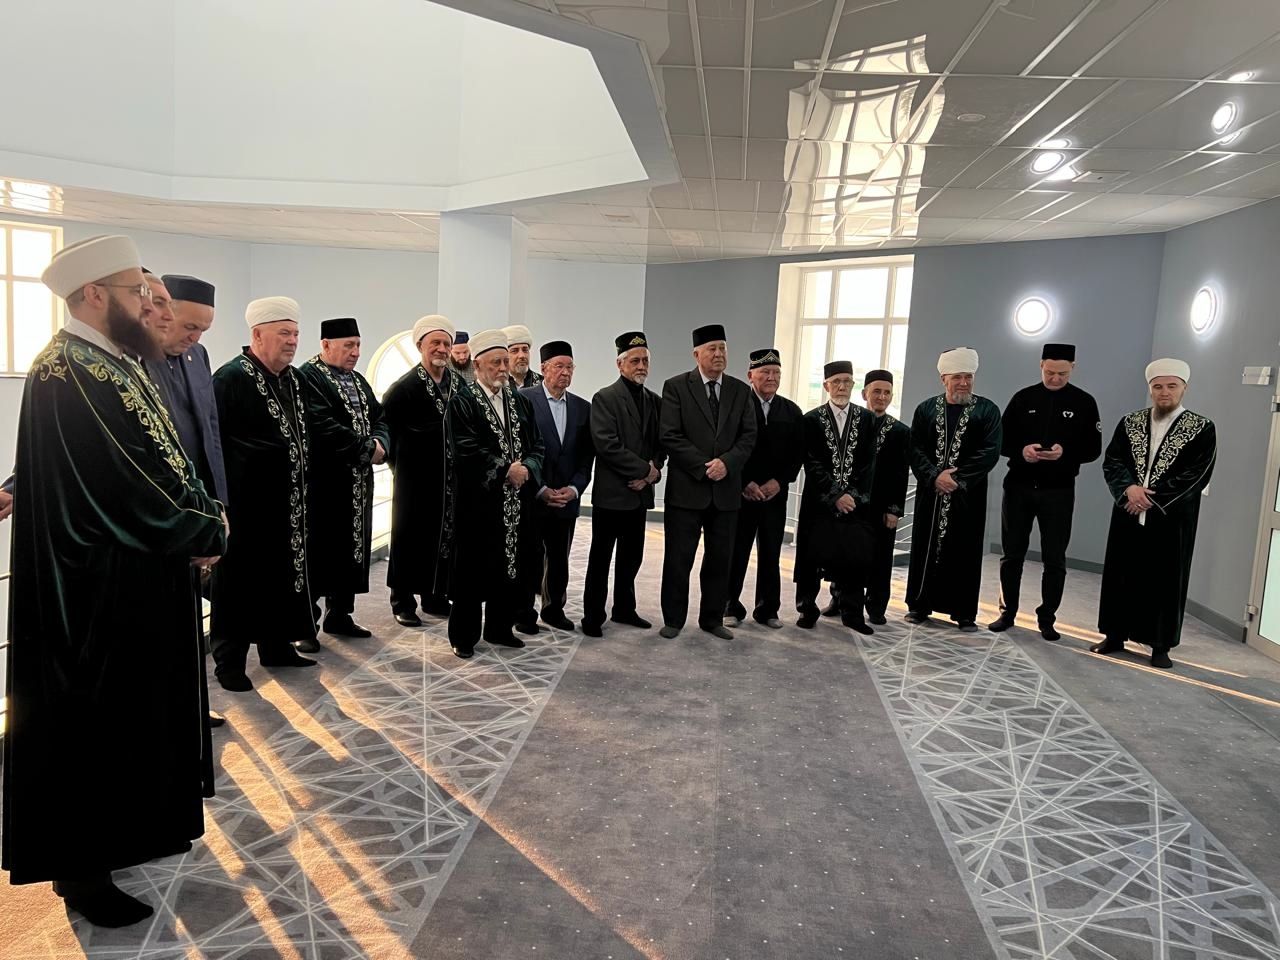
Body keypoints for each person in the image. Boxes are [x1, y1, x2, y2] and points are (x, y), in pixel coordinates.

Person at [3, 236, 226, 926]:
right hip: (93, 591)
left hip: (131, 577)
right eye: (139, 293)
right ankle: (82, 874)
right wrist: (204, 529)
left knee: (127, 722)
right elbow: (126, 486)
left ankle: (122, 839)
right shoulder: (71, 370)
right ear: (95, 294)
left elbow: (168, 459)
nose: (153, 306)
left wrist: (202, 512)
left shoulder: (109, 361)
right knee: (87, 730)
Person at [211, 297, 318, 690]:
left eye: (295, 334)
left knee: (281, 578)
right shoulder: (229, 378)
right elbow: (214, 444)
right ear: (257, 335)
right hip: (246, 506)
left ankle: (277, 648)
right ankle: (229, 663)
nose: (292, 341)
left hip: (288, 506)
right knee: (237, 585)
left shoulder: (295, 379)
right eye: (283, 333)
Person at [1092, 359, 1216, 669]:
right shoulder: (1130, 422)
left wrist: (1149, 498)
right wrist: (1128, 491)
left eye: (1172, 386)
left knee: (1165, 580)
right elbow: (1113, 461)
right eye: (1158, 386)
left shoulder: (1202, 428)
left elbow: (1196, 474)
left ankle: (1160, 645)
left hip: (1171, 519)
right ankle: (1114, 635)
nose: (1164, 392)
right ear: (1150, 389)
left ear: (1184, 388)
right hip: (1128, 511)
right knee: (1121, 573)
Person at [149, 273, 230, 729]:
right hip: (162, 517)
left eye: (202, 330)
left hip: (200, 512)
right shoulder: (133, 362)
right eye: (189, 326)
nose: (194, 337)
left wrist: (220, 505)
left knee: (192, 618)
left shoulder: (199, 357)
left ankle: (194, 708)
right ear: (163, 313)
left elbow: (210, 433)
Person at [990, 343, 1102, 641]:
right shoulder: (1023, 398)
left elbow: (1094, 448)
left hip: (1059, 491)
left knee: (1055, 558)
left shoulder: (1084, 402)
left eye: (1062, 373)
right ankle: (1007, 612)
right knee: (1012, 554)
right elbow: (1000, 440)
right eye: (1050, 372)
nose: (1055, 378)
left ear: (1073, 368)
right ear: (1041, 365)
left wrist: (1066, 453)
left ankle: (1047, 618)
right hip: (1019, 487)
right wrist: (1021, 450)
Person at [447, 329, 545, 658]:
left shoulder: (519, 401)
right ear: (477, 365)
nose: (503, 368)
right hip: (478, 505)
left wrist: (527, 467)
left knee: (510, 566)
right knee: (472, 571)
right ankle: (464, 636)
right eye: (496, 362)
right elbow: (465, 449)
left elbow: (537, 444)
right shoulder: (462, 402)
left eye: (505, 361)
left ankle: (500, 628)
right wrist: (505, 470)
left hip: (516, 503)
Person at [658, 324, 758, 639]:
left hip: (726, 491)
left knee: (720, 559)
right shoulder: (676, 387)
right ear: (696, 354)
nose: (718, 354)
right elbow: (670, 435)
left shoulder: (740, 390)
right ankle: (673, 620)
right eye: (712, 349)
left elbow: (748, 436)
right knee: (679, 558)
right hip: (687, 489)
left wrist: (726, 463)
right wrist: (704, 467)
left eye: (722, 348)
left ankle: (712, 619)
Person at [298, 318, 389, 645]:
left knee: (350, 549)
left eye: (358, 345)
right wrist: (366, 448)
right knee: (319, 552)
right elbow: (322, 425)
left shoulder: (358, 380)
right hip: (325, 484)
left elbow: (380, 417)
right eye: (348, 345)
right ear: (325, 345)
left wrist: (380, 442)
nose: (356, 352)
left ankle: (340, 615)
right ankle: (305, 627)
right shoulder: (308, 377)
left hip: (357, 484)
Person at [905, 347, 1002, 631]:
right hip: (931, 494)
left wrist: (957, 479)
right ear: (943, 379)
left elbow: (990, 451)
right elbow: (915, 448)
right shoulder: (925, 410)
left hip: (967, 497)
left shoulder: (988, 411)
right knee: (925, 549)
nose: (963, 383)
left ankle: (964, 613)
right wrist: (934, 476)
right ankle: (919, 606)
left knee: (965, 551)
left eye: (968, 377)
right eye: (957, 377)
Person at [581, 332, 664, 637]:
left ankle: (624, 609)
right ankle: (592, 617)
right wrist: (645, 470)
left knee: (632, 557)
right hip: (613, 494)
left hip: (640, 495)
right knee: (601, 559)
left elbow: (662, 443)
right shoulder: (604, 398)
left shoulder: (655, 401)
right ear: (620, 364)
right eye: (635, 361)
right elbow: (607, 445)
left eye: (645, 361)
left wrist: (652, 471)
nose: (641, 366)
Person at [383, 315, 464, 626]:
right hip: (414, 481)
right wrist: (403, 470)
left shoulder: (459, 385)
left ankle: (435, 595)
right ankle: (402, 601)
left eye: (446, 343)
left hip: (449, 482)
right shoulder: (403, 388)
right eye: (435, 343)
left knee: (443, 538)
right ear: (420, 346)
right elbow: (388, 434)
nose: (442, 349)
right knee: (408, 538)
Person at [794, 361, 879, 633]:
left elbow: (868, 464)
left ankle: (852, 613)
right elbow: (811, 462)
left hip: (854, 505)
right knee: (811, 557)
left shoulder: (867, 420)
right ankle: (807, 609)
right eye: (836, 382)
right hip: (819, 503)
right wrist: (835, 495)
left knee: (853, 558)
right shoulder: (810, 419)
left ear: (853, 385)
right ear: (826, 385)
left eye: (847, 381)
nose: (842, 386)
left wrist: (849, 496)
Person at [725, 348, 804, 629]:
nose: (772, 377)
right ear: (751, 375)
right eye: (765, 372)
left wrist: (779, 482)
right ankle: (729, 607)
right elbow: (728, 447)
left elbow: (797, 454)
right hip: (741, 495)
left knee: (771, 554)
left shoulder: (791, 411)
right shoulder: (736, 406)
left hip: (774, 497)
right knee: (737, 552)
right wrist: (744, 482)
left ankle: (767, 609)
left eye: (776, 373)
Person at [518, 341, 593, 632]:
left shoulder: (582, 408)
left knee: (560, 558)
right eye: (559, 366)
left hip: (566, 499)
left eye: (569, 367)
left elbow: (586, 457)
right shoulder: (524, 400)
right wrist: (540, 489)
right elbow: (519, 450)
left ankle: (553, 610)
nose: (565, 372)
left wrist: (574, 489)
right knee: (530, 557)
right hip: (534, 495)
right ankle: (524, 613)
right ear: (543, 368)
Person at [853, 369, 910, 625]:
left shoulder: (900, 431)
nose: (882, 397)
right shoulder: (852, 424)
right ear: (864, 393)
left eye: (887, 392)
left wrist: (894, 509)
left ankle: (876, 607)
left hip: (882, 507)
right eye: (877, 391)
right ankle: (841, 599)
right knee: (848, 555)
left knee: (881, 558)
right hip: (853, 504)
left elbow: (900, 474)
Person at [503, 324, 543, 389]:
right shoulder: (495, 385)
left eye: (525, 350)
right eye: (515, 351)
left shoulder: (544, 384)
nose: (522, 355)